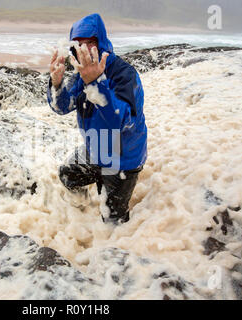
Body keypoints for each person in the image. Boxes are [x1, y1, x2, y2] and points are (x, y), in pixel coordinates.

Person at [47, 13, 147, 224]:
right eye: (79, 44)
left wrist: (95, 83)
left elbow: (120, 122)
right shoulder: (81, 74)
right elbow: (62, 107)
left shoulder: (124, 74)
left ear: (101, 42)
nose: (85, 50)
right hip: (96, 148)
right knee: (68, 175)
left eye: (91, 43)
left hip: (122, 159)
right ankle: (83, 209)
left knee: (112, 222)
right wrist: (56, 84)